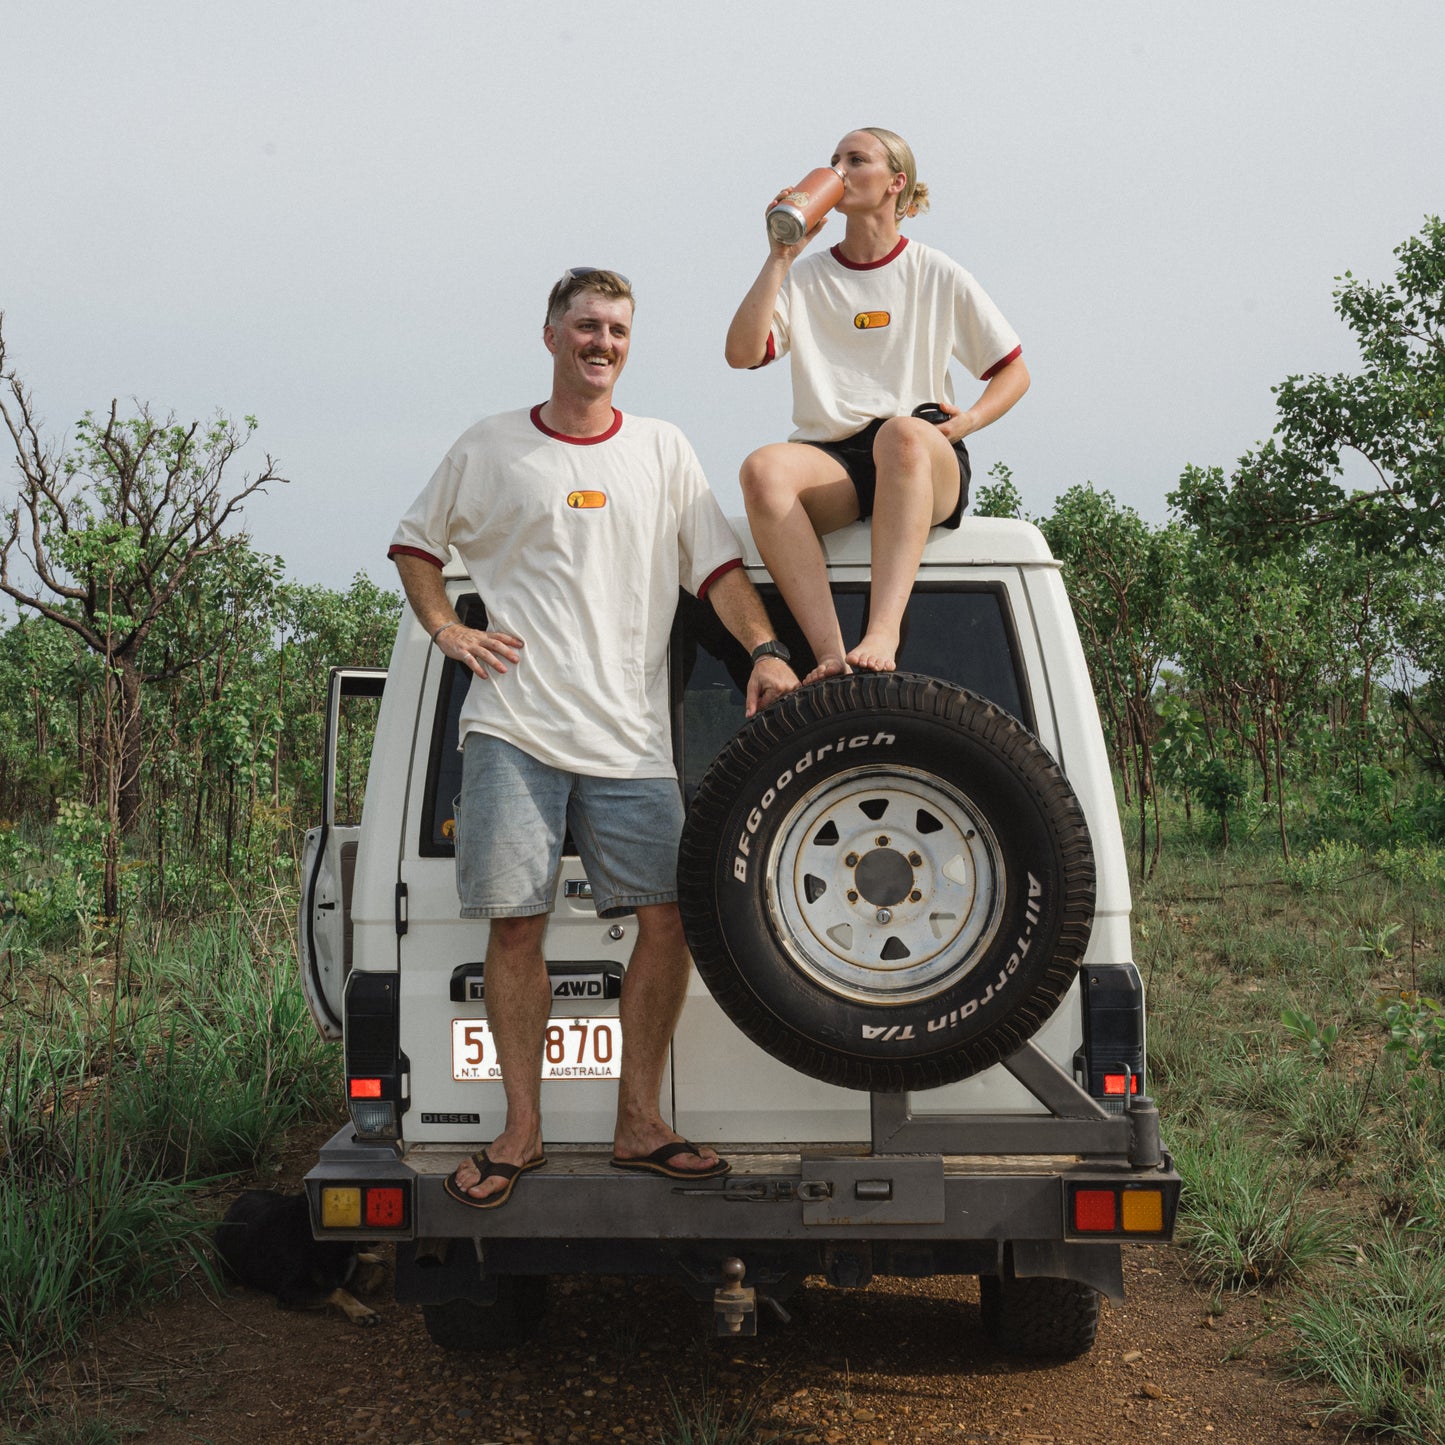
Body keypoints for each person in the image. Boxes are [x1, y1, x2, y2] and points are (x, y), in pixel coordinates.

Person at [389, 267, 798, 1208]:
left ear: (627, 342)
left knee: (670, 920)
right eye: (585, 326)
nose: (601, 342)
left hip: (630, 742)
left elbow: (719, 569)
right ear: (550, 337)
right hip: (514, 729)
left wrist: (767, 648)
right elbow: (415, 543)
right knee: (516, 925)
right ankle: (521, 1130)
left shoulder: (660, 450)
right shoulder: (490, 446)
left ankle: (639, 1124)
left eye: (615, 328)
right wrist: (446, 626)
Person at [725, 127, 1031, 681]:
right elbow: (742, 354)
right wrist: (780, 257)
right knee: (762, 469)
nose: (839, 170)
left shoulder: (934, 270)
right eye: (834, 160)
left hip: (921, 455)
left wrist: (965, 423)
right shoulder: (808, 275)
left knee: (901, 433)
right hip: (836, 460)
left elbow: (1013, 371)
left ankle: (884, 629)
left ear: (896, 184)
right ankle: (828, 653)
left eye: (855, 159)